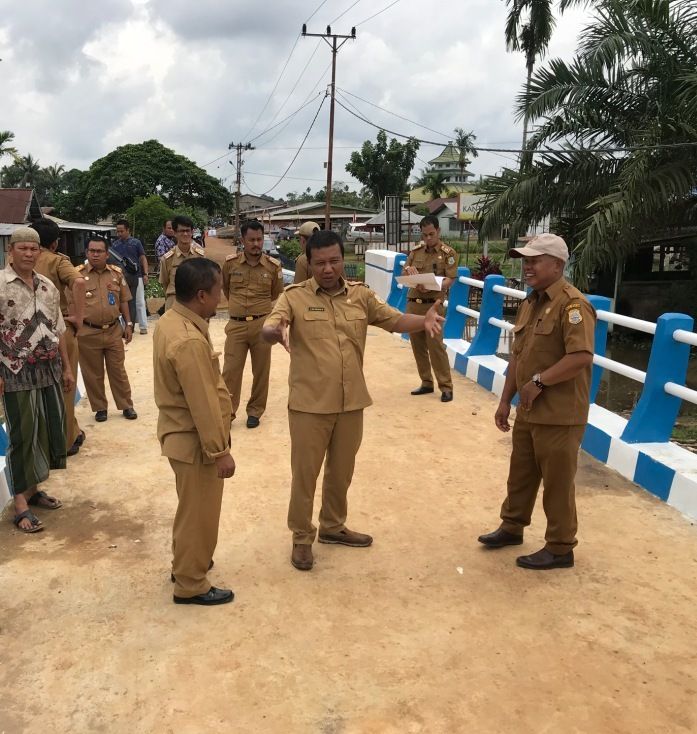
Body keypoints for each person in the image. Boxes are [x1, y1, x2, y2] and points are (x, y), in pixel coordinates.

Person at [263, 230, 444, 571]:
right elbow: (272, 325)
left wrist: (425, 320)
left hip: (351, 403)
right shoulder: (294, 297)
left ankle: (333, 526)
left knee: (341, 472)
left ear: (343, 259)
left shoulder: (360, 296)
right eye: (320, 263)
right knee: (305, 475)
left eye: (334, 261)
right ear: (309, 263)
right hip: (309, 406)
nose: (328, 269)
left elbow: (394, 320)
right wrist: (274, 332)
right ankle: (302, 538)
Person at [478, 233, 596, 570]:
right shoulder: (531, 302)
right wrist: (505, 400)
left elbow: (581, 356)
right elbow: (518, 355)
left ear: (557, 265)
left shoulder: (573, 305)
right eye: (525, 260)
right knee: (521, 474)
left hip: (560, 413)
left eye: (535, 260)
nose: (527, 266)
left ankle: (560, 547)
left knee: (557, 484)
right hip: (529, 410)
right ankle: (512, 526)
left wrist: (539, 383)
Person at [153, 258, 235, 606]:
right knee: (199, 514)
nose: (222, 298)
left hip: (182, 437)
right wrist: (220, 451)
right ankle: (190, 583)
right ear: (201, 295)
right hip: (195, 443)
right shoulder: (188, 340)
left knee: (190, 510)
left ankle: (186, 563)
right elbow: (202, 402)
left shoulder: (172, 320)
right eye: (218, 292)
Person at [0, 228, 74, 533]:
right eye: (23, 248)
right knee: (22, 435)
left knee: (45, 431)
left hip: (48, 370)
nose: (29, 253)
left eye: (34, 249)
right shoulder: (1, 286)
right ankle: (20, 501)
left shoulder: (47, 287)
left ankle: (32, 489)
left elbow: (59, 332)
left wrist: (67, 368)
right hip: (15, 372)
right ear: (11, 251)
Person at [30, 218, 87, 456]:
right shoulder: (56, 261)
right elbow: (79, 282)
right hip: (57, 330)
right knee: (66, 383)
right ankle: (64, 442)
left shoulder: (17, 262)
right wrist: (78, 317)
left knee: (38, 388)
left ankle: (69, 431)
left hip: (27, 334)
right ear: (55, 243)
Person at [222, 220, 283, 429]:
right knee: (230, 371)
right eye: (252, 240)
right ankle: (227, 412)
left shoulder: (273, 267)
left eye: (259, 239)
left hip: (262, 325)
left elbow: (276, 294)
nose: (256, 244)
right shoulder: (230, 264)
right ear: (243, 241)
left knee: (261, 371)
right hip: (236, 326)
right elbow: (226, 289)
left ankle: (255, 411)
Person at [76, 236, 138, 422]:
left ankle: (126, 405)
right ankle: (100, 408)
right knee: (93, 373)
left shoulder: (116, 274)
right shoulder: (77, 275)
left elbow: (124, 301)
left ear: (106, 253)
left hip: (112, 330)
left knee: (118, 370)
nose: (95, 254)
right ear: (86, 253)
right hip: (88, 332)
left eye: (99, 251)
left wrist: (128, 323)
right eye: (92, 251)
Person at [402, 214, 458, 402]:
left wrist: (435, 285)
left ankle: (446, 386)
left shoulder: (447, 253)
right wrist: (411, 276)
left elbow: (450, 279)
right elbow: (404, 273)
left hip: (433, 305)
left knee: (436, 347)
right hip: (413, 303)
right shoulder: (415, 252)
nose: (427, 239)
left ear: (438, 231)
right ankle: (426, 382)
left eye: (431, 234)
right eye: (424, 235)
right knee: (417, 346)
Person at [158, 215, 206, 311]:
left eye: (188, 230)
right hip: (174, 305)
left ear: (192, 232)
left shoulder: (201, 256)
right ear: (175, 233)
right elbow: (165, 283)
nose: (185, 234)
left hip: (194, 304)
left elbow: (204, 282)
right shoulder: (167, 259)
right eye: (181, 231)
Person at [111, 219, 149, 334]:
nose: (119, 234)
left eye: (122, 231)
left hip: (137, 275)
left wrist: (145, 274)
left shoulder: (136, 243)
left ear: (128, 230)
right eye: (118, 231)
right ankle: (126, 327)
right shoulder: (115, 245)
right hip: (121, 277)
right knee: (123, 302)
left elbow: (143, 258)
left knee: (139, 301)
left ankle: (143, 326)